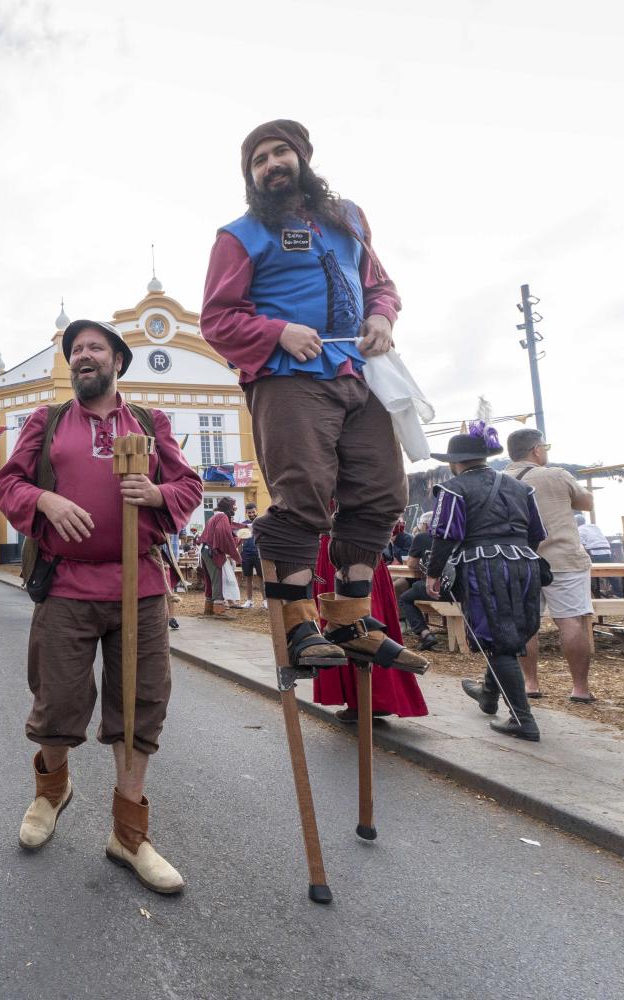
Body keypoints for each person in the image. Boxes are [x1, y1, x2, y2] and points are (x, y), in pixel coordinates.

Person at [199, 119, 425, 674]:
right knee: (303, 494)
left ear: (302, 158)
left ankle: (350, 618)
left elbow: (381, 284)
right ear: (250, 176)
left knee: (380, 493)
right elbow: (217, 319)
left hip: (359, 370)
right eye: (259, 161)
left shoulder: (346, 219)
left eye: (280, 154)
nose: (271, 165)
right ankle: (300, 626)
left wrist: (381, 316)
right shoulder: (239, 235)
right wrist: (277, 331)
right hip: (288, 375)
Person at [0, 318, 203, 894]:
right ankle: (52, 792)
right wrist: (45, 500)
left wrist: (158, 494)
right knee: (57, 699)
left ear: (117, 362)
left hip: (140, 586)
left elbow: (188, 487)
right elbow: (8, 483)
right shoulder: (48, 420)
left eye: (95, 348)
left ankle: (129, 836)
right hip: (66, 585)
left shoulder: (150, 423)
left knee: (139, 705)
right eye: (76, 349)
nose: (83, 355)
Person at [423, 424, 547, 741]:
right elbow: (536, 535)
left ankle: (523, 720)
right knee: (507, 637)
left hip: (485, 567)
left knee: (499, 641)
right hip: (526, 564)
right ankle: (488, 695)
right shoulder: (521, 488)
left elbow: (444, 535)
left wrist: (434, 573)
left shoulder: (453, 488)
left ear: (455, 461)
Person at [505, 427, 596, 702]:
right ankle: (580, 688)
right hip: (562, 557)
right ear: (536, 449)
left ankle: (530, 684)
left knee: (525, 624)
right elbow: (587, 502)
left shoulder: (499, 480)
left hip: (519, 560)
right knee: (570, 621)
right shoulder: (556, 475)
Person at [313, 542, 428, 723]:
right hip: (341, 550)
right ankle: (361, 699)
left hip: (359, 548)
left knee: (367, 626)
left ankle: (374, 698)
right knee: (345, 627)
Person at [395, 512, 440, 651]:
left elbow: (412, 565)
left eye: (420, 525)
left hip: (435, 587)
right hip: (459, 588)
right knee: (406, 586)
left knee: (405, 598)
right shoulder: (453, 535)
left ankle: (425, 634)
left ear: (426, 525)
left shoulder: (422, 537)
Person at [198, 499, 242, 616]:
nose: (235, 509)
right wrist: (235, 546)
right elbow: (222, 533)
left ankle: (209, 609)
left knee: (211, 579)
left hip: (205, 550)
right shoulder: (222, 517)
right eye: (234, 507)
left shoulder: (215, 517)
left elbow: (229, 528)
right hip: (212, 551)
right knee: (218, 579)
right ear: (229, 507)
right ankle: (219, 611)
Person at [577, 514, 623, 598]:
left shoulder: (579, 530)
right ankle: (618, 593)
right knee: (608, 572)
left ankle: (593, 593)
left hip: (595, 553)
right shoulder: (594, 527)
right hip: (607, 551)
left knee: (585, 571)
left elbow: (580, 546)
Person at [239, 502, 261, 607]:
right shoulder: (243, 524)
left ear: (257, 510)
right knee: (248, 578)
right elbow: (240, 540)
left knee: (262, 577)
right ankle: (249, 600)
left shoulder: (261, 522)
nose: (251, 514)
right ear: (246, 512)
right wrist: (239, 554)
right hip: (246, 553)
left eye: (253, 512)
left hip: (259, 553)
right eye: (249, 512)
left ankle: (265, 601)